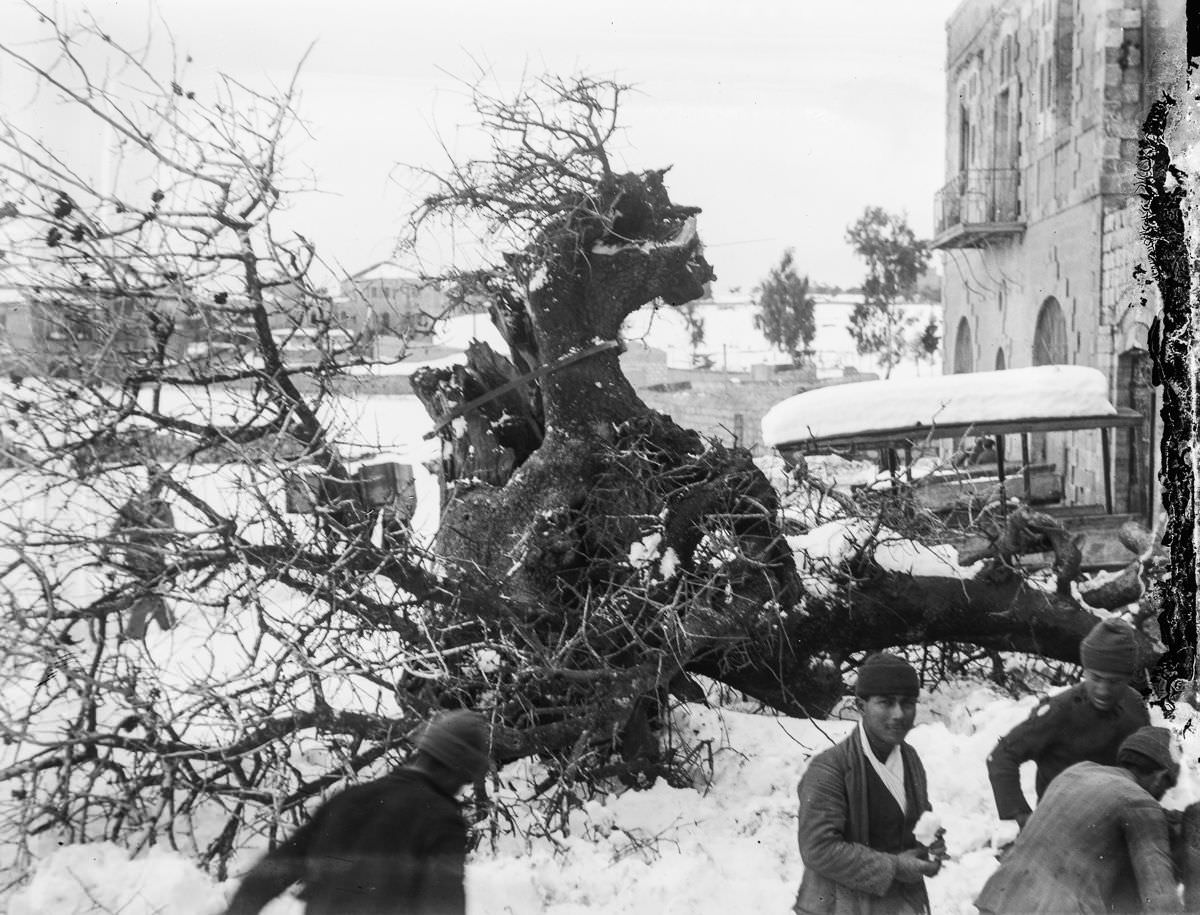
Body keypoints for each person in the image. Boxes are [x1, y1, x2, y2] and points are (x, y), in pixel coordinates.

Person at [223, 709, 490, 915]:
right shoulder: (441, 819)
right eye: (465, 777)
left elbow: (275, 868)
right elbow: (443, 904)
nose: (462, 786)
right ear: (453, 769)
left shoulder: (349, 799)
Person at [974, 725, 1183, 914]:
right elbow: (1159, 892)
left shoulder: (1077, 771)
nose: (1162, 795)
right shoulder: (1142, 802)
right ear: (1160, 776)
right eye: (1167, 785)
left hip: (998, 898)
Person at [794, 653, 942, 915]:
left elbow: (915, 823)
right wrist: (895, 866)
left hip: (900, 903)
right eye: (886, 702)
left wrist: (929, 846)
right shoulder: (830, 768)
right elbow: (818, 849)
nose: (898, 714)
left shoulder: (910, 759)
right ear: (861, 706)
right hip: (839, 906)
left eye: (908, 703)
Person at [987, 617, 1150, 828]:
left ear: (1128, 678)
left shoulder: (1134, 706)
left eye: (1114, 681)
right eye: (1096, 678)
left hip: (1116, 822)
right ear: (1085, 671)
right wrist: (1024, 818)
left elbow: (1148, 764)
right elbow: (1001, 756)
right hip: (1061, 825)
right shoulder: (1059, 711)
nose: (1103, 690)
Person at [105, 470, 177, 639]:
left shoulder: (160, 507)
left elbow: (169, 534)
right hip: (138, 555)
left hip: (151, 556)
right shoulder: (136, 504)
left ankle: (134, 633)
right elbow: (115, 529)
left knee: (147, 592)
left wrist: (154, 547)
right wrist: (106, 551)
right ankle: (168, 624)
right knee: (149, 590)